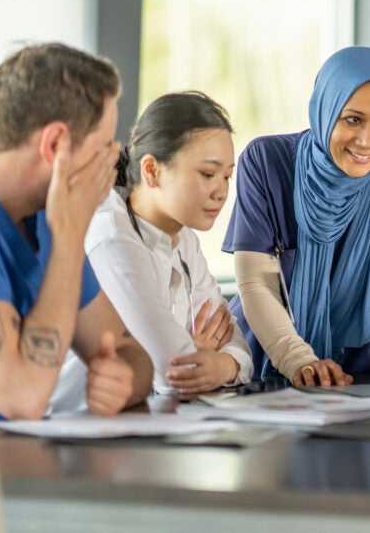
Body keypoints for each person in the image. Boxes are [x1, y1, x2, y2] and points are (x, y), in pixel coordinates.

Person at [0, 43, 153, 434]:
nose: (112, 165)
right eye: (103, 148)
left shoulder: (46, 215)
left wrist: (122, 380)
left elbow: (128, 349)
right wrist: (69, 239)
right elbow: (23, 399)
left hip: (15, 477)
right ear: (55, 145)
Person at [223, 46, 370, 388]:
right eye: (353, 119)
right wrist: (300, 361)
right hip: (261, 370)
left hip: (349, 381)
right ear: (325, 109)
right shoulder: (266, 163)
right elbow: (255, 283)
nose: (368, 141)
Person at [83, 91, 253, 396]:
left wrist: (225, 365)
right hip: (82, 422)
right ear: (151, 171)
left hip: (148, 418)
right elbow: (175, 372)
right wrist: (197, 355)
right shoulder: (113, 236)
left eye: (227, 176)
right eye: (208, 174)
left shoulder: (184, 237)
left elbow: (233, 336)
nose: (221, 192)